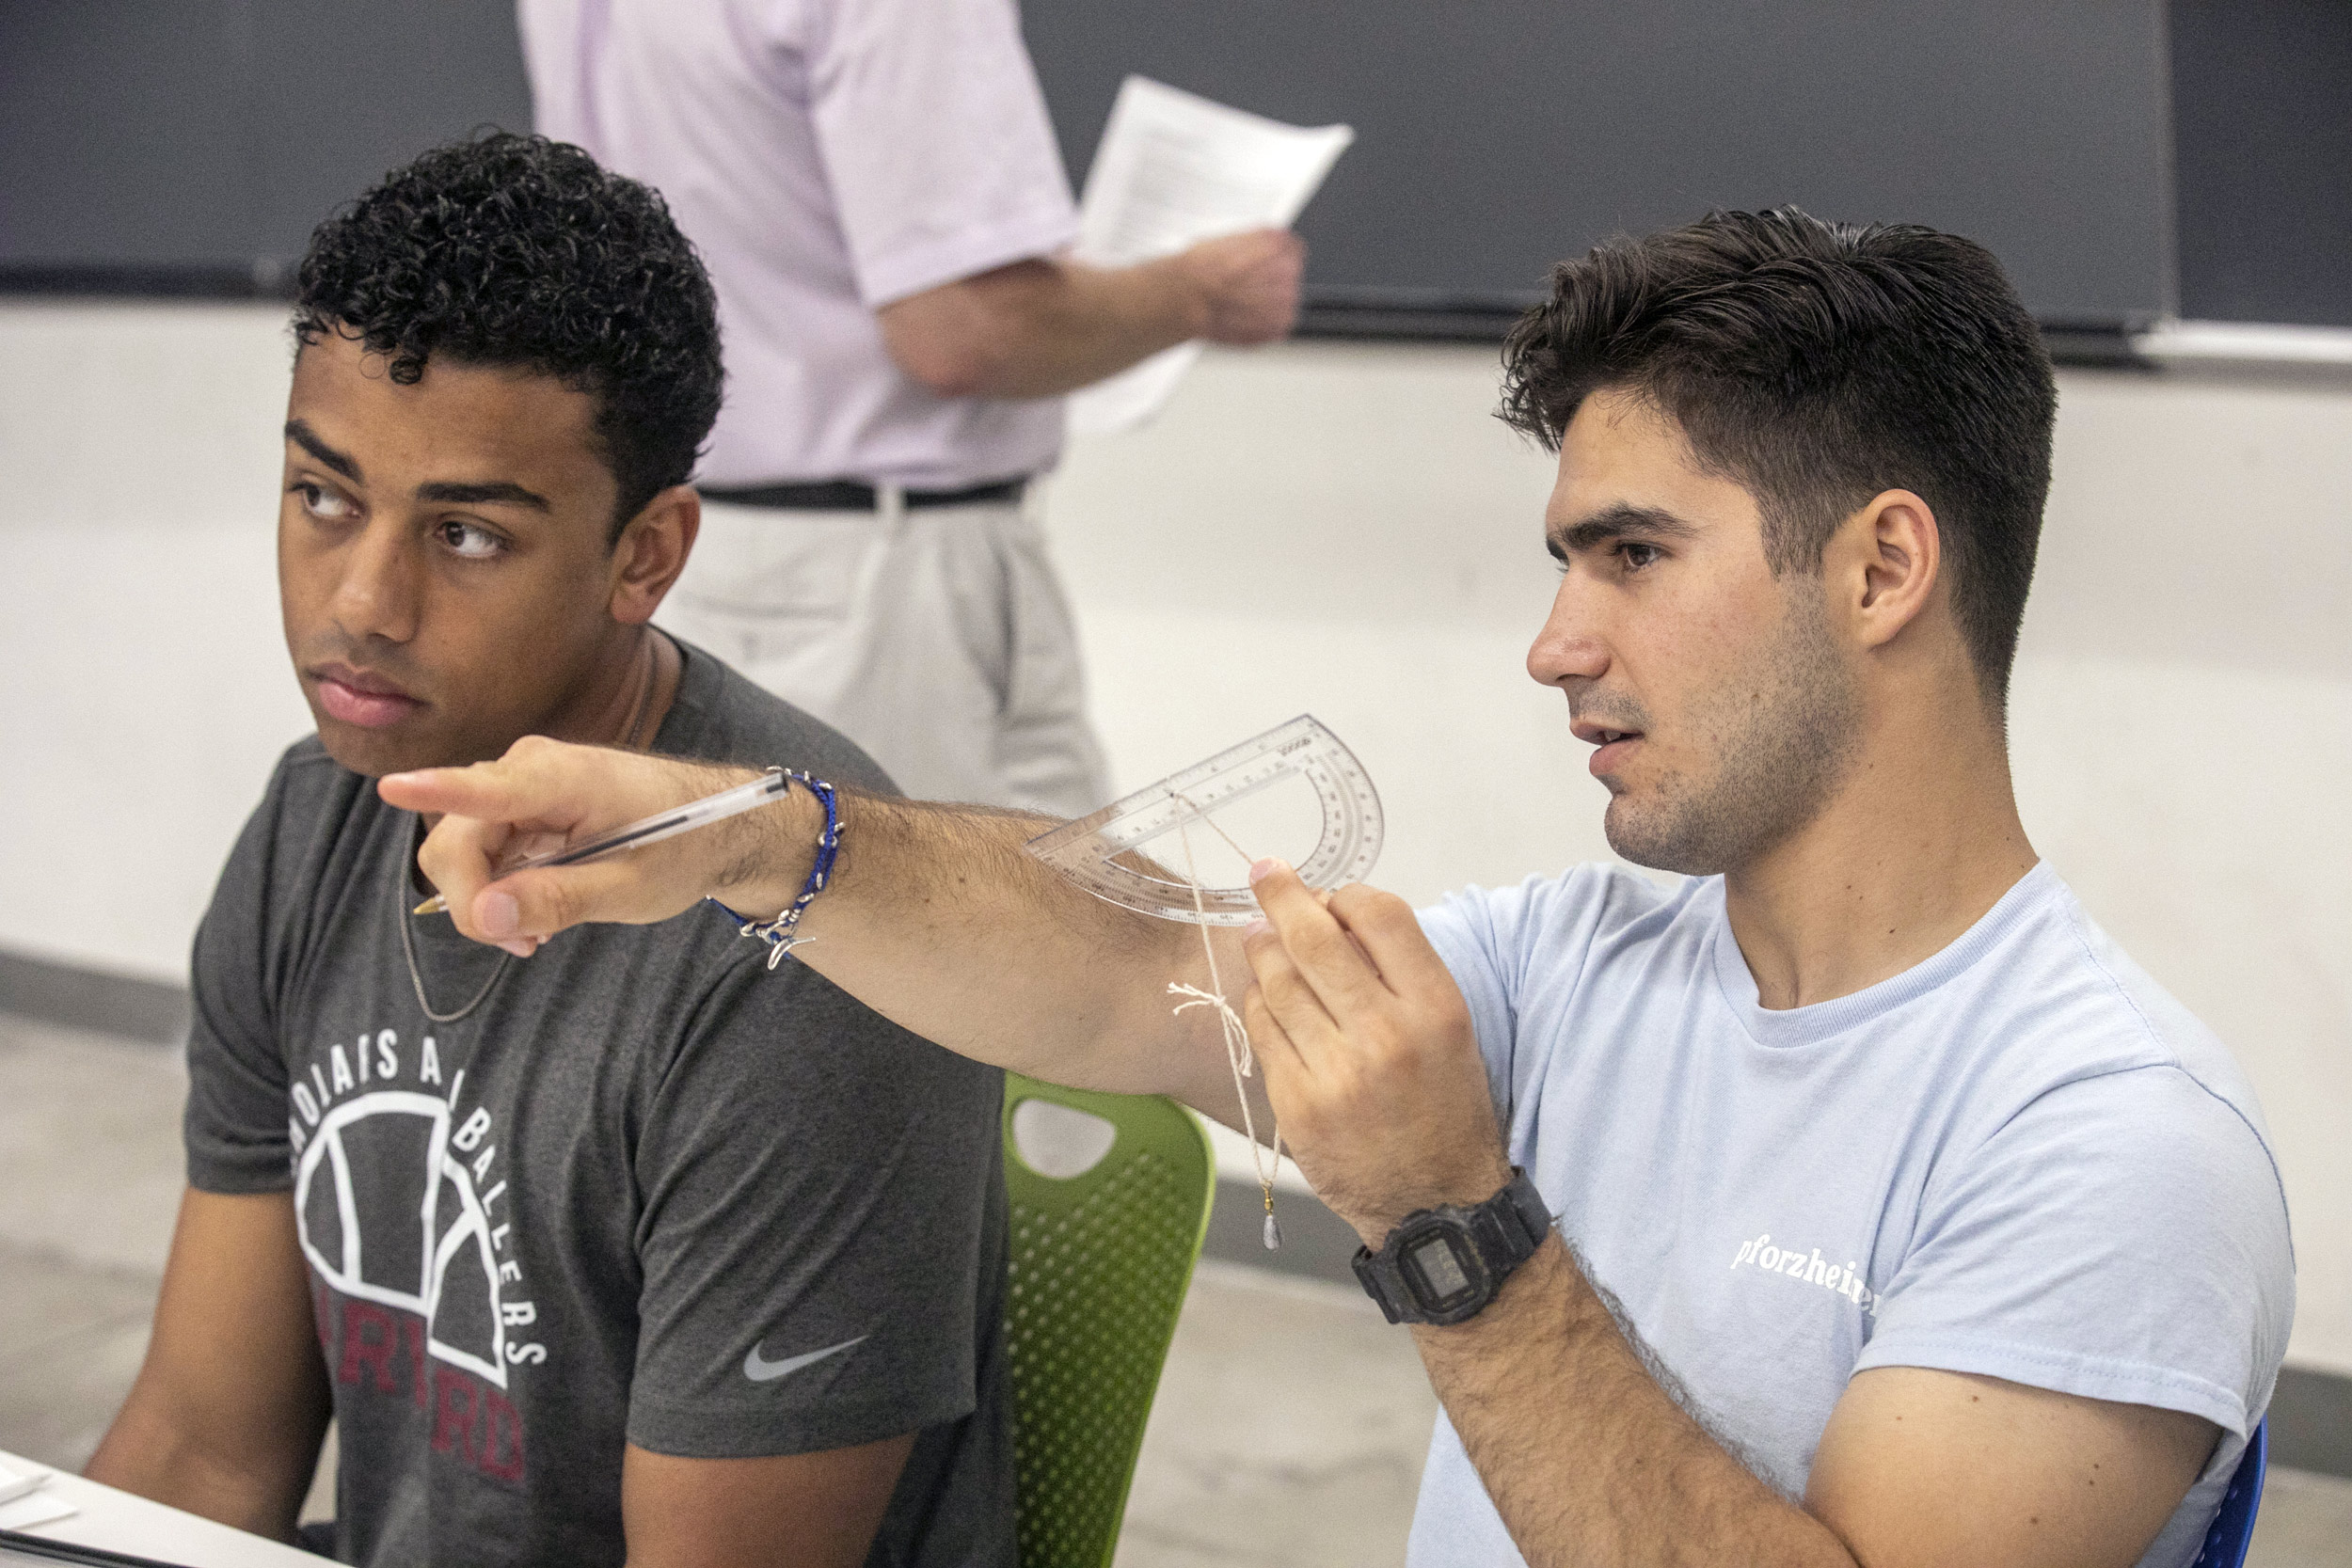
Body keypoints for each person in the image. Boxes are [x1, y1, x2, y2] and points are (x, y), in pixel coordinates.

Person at [389, 209, 2295, 1568]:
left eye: (1630, 552)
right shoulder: (1579, 952)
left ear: (1881, 570)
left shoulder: (2107, 1144)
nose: (1553, 642)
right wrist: (752, 834)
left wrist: (1450, 1222)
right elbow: (1117, 967)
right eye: (1563, 559)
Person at [86, 135, 1016, 1568]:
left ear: (646, 556)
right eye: (323, 496)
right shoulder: (315, 818)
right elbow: (208, 1447)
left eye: (463, 534)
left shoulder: (811, 947)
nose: (364, 601)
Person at [516, 0, 1308, 818]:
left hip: (689, 546)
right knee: (992, 927)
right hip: (884, 588)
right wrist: (1200, 294)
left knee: (771, 921)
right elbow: (966, 331)